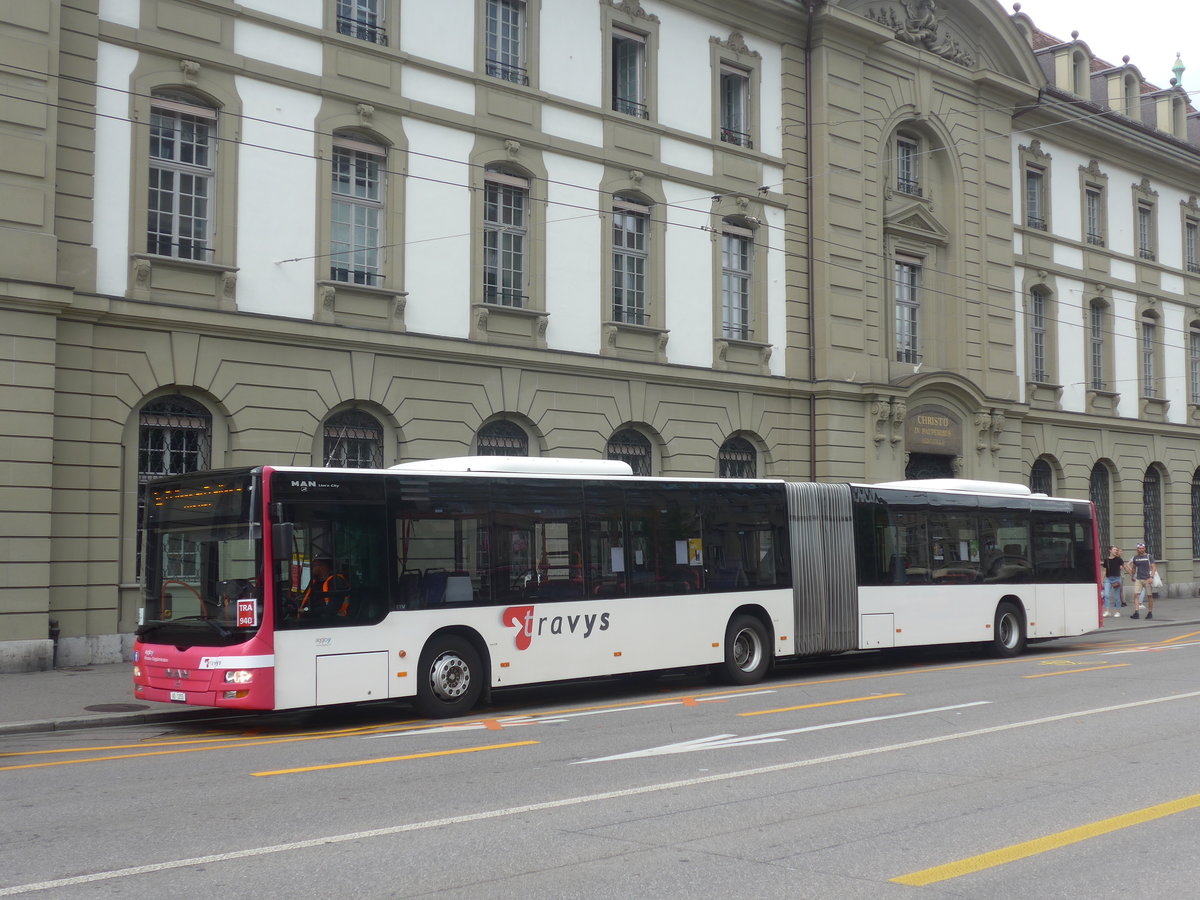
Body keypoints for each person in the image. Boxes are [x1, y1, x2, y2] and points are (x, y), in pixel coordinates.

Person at [1125, 543, 1157, 620]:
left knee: (1149, 596)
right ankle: (1136, 612)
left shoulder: (1149, 556)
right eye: (1139, 548)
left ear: (1144, 549)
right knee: (1136, 595)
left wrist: (1151, 577)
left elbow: (1154, 567)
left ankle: (1150, 612)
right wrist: (1132, 576)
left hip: (1147, 579)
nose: (1141, 550)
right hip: (1138, 579)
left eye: (1142, 548)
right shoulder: (1135, 558)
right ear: (1137, 549)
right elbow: (1134, 568)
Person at [1102, 546, 1124, 618]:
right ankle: (1107, 611)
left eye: (1116, 550)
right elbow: (1105, 570)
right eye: (1114, 550)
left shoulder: (1119, 559)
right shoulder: (1106, 560)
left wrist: (1131, 574)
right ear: (1110, 551)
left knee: (1117, 597)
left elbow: (1124, 566)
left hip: (1116, 579)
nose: (1116, 551)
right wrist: (1102, 579)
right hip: (1108, 579)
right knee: (1106, 595)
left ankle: (1118, 612)